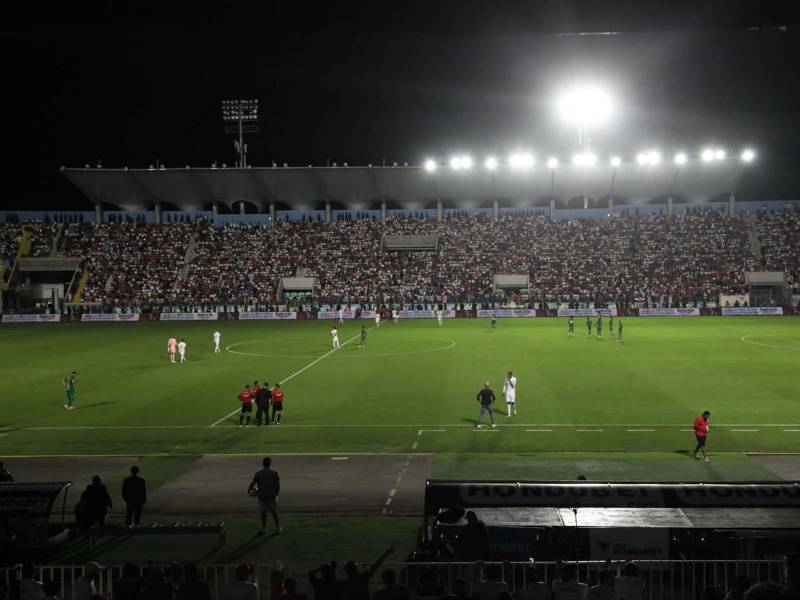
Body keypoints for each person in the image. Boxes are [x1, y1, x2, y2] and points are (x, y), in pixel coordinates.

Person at [248, 456, 281, 535]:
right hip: (272, 496)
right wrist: (276, 494)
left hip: (262, 496)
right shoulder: (274, 473)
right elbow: (277, 486)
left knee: (263, 513)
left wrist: (249, 490)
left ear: (263, 464)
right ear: (270, 464)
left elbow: (252, 483)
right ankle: (277, 528)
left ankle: (264, 529)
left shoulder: (258, 473)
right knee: (275, 513)